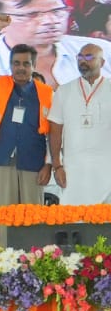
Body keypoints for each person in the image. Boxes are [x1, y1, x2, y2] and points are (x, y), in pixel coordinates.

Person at [0, 14, 53, 216]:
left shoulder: (47, 93)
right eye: (16, 63)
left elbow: (52, 133)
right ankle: (7, 240)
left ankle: (34, 240)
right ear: (10, 65)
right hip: (4, 158)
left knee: (33, 215)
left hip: (33, 160)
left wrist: (49, 163)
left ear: (33, 66)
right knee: (6, 214)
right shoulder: (0, 85)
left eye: (26, 64)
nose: (21, 68)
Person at [49, 44, 111, 205]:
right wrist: (57, 166)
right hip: (73, 169)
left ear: (102, 62)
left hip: (106, 168)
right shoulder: (64, 91)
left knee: (104, 217)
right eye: (80, 57)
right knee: (74, 215)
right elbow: (55, 131)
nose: (83, 61)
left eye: (89, 57)